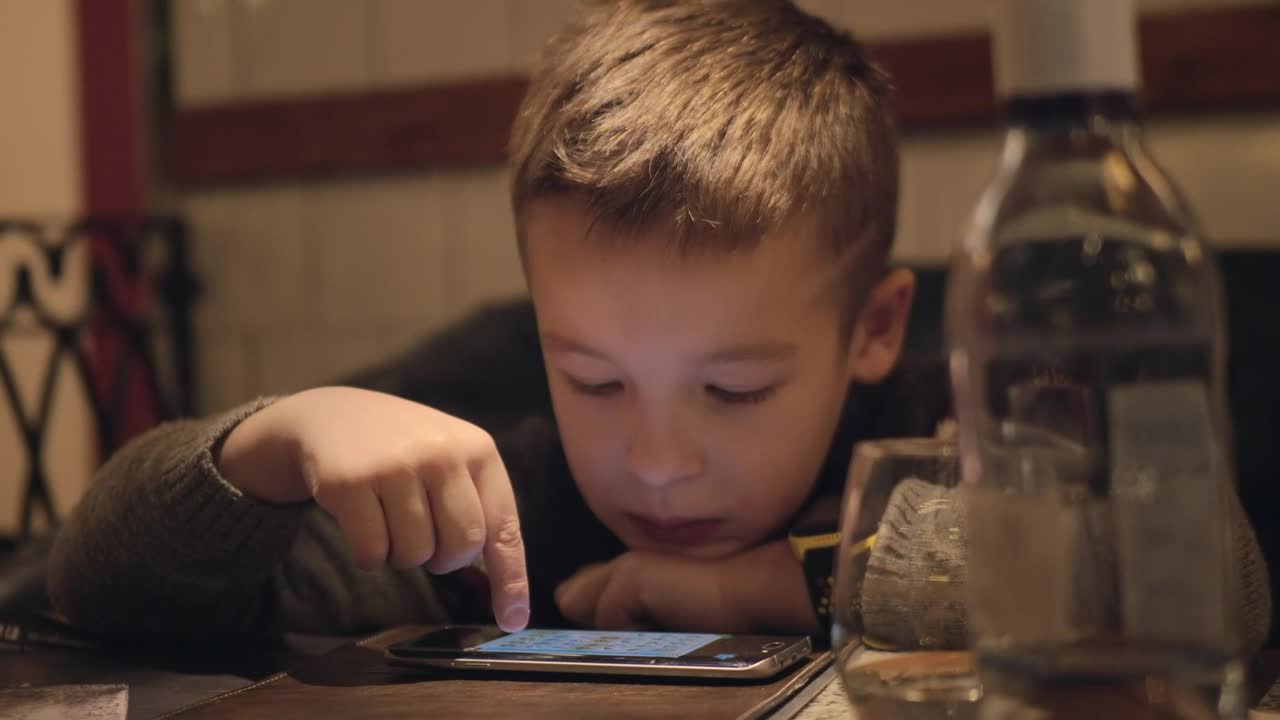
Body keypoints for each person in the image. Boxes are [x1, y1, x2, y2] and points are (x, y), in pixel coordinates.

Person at [47, 0, 1270, 652]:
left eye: (733, 391)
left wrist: (771, 585)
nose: (657, 460)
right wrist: (265, 446)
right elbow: (88, 592)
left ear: (874, 328)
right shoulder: (500, 501)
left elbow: (1204, 576)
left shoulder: (954, 425)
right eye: (592, 378)